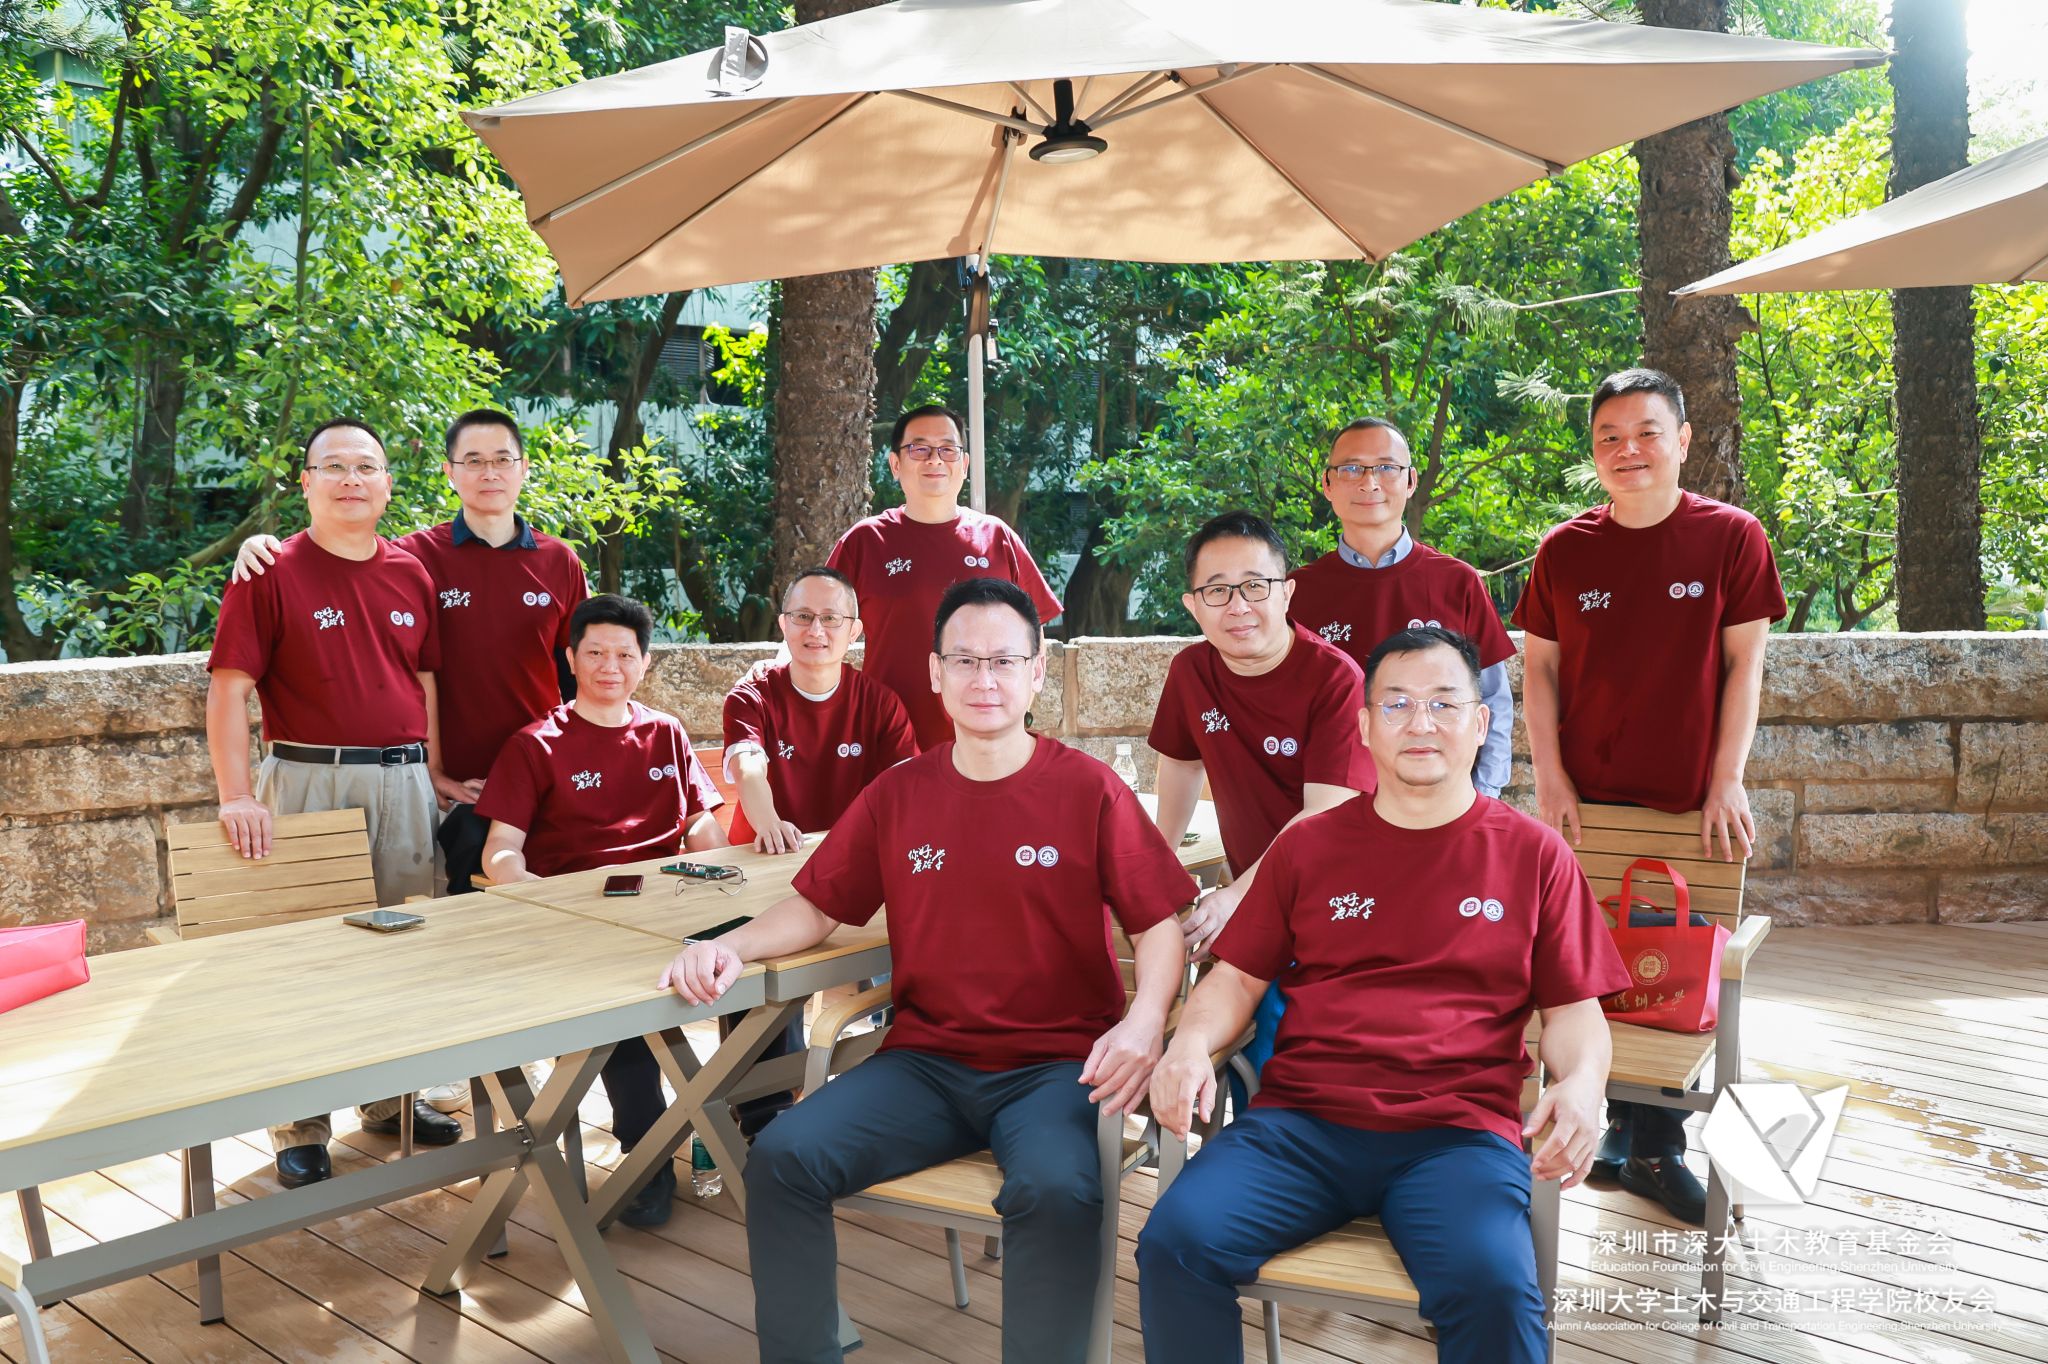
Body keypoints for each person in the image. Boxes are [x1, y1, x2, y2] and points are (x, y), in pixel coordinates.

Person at [661, 578, 1193, 1364]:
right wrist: (732, 946)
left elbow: (1158, 925)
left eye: (1004, 661)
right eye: (965, 660)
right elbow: (817, 907)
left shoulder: (1089, 788)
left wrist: (1144, 1022)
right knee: (783, 1157)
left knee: (1056, 1190)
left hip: (1055, 1067)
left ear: (1036, 674)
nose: (985, 678)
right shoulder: (900, 792)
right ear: (936, 674)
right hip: (925, 1063)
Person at [1137, 627, 1630, 1364]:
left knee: (1495, 1290)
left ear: (1480, 722)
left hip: (1457, 1135)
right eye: (1396, 704)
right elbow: (1235, 979)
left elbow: (1573, 1011)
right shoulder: (1308, 846)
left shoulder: (1534, 855)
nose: (1420, 722)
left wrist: (1585, 1083)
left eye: (1443, 703)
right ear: (1364, 726)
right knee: (1176, 1244)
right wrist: (1186, 1045)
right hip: (1302, 1126)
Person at [1512, 367, 1786, 1225]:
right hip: (1585, 802)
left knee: (1671, 970)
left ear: (1683, 439)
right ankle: (1618, 1132)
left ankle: (1655, 1149)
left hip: (1687, 802)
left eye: (1646, 433)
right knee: (1589, 968)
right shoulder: (1564, 550)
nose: (1628, 450)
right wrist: (1550, 775)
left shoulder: (1732, 537)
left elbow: (1745, 666)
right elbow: (1540, 671)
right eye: (1610, 437)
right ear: (1594, 451)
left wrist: (1726, 777)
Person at [205, 418, 462, 1187]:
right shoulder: (269, 571)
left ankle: (389, 1099)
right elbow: (229, 689)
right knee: (306, 958)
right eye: (335, 466)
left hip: (404, 784)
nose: (352, 479)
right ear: (307, 482)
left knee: (400, 950)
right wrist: (236, 795)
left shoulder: (411, 572)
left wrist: (435, 770)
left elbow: (424, 681)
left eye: (366, 467)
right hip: (309, 779)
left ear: (387, 483)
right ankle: (301, 1126)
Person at [232, 408, 589, 894]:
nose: (489, 472)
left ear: (523, 468)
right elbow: (345, 552)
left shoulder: (560, 561)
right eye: (473, 460)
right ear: (450, 471)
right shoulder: (414, 558)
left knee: (530, 912)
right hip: (444, 787)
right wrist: (260, 545)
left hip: (534, 782)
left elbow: (579, 676)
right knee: (431, 911)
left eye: (502, 459)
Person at [475, 593, 727, 1227]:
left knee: (764, 973)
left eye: (624, 654)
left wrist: (725, 873)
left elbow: (700, 825)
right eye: (595, 653)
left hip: (673, 907)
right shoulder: (536, 744)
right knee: (630, 1005)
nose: (610, 666)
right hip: (583, 924)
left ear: (644, 662)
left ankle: (757, 1127)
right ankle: (646, 1157)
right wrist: (533, 890)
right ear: (571, 659)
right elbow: (500, 849)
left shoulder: (665, 731)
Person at [1147, 510, 1374, 1077]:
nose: (1237, 606)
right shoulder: (1191, 670)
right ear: (1192, 605)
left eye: (1254, 586)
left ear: (1287, 592)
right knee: (1240, 1043)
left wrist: (1234, 899)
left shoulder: (1335, 679)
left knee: (1288, 1048)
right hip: (1256, 897)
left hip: (1335, 904)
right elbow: (1179, 766)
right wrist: (1153, 870)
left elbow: (1322, 816)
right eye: (1217, 590)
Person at [1286, 418, 1516, 796]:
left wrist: (1485, 794)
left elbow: (1492, 698)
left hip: (1438, 800)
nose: (1369, 482)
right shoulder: (1296, 592)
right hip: (1331, 801)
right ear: (1327, 483)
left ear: (1410, 481)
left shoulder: (1457, 581)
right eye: (1351, 468)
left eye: (1386, 468)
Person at [826, 403, 1063, 749]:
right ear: (895, 464)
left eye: (948, 449)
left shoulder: (997, 538)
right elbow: (817, 623)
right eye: (919, 449)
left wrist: (1019, 710)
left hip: (984, 744)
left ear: (964, 464)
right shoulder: (863, 542)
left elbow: (1033, 630)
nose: (935, 460)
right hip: (886, 743)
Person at [722, 567, 918, 853]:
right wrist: (770, 824)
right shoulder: (752, 696)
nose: (815, 630)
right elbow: (748, 768)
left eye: (830, 618)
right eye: (803, 616)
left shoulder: (881, 704)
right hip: (765, 854)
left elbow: (908, 788)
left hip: (849, 856)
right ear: (784, 625)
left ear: (854, 632)